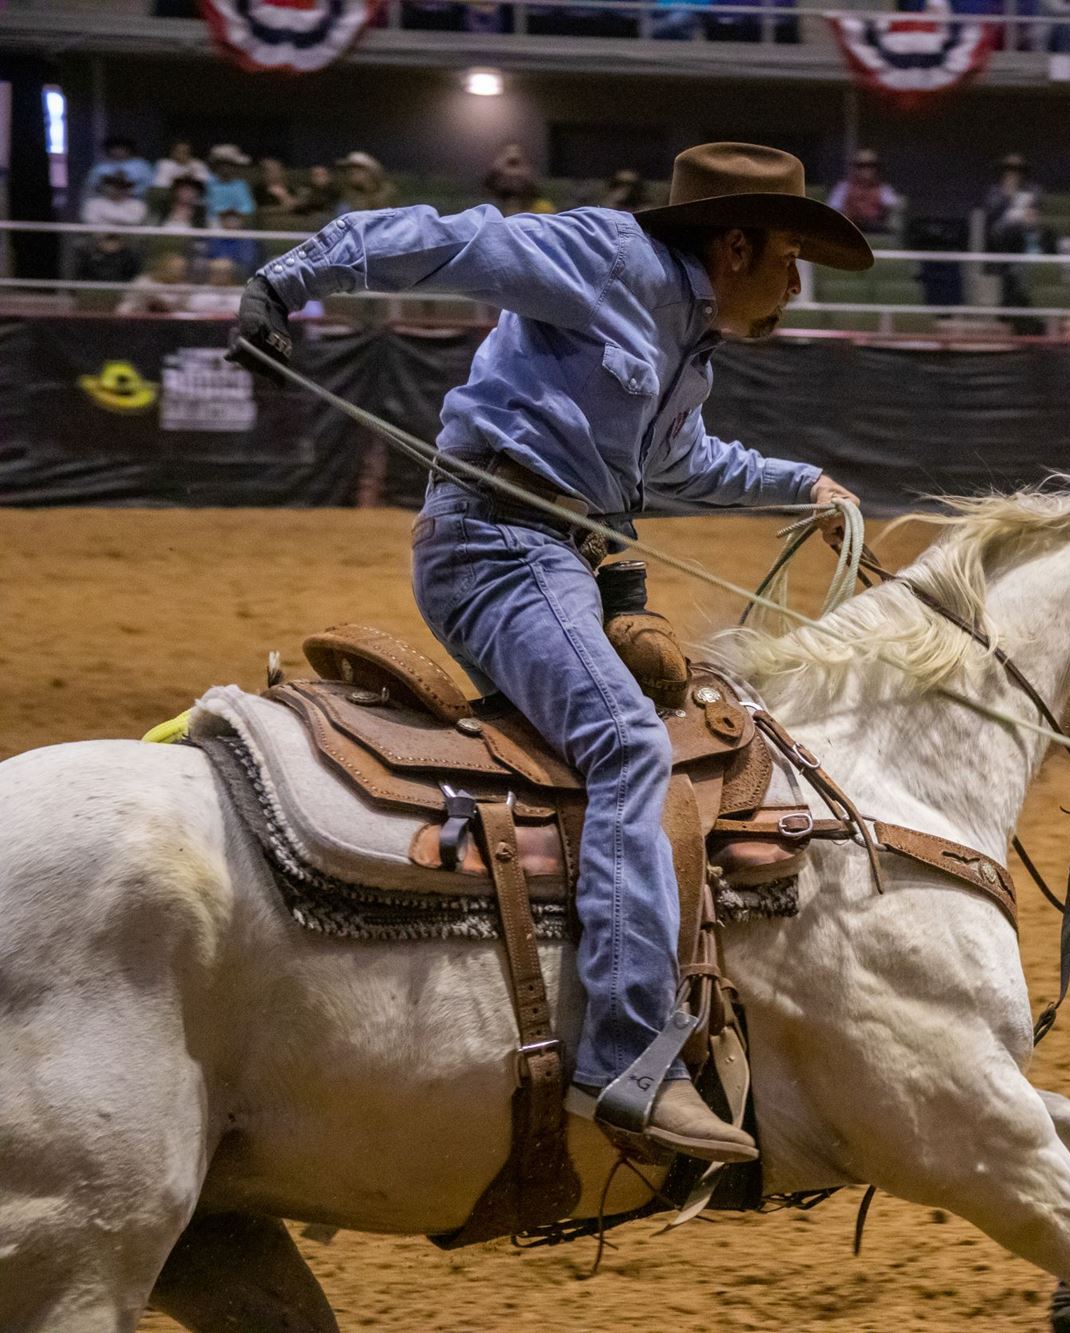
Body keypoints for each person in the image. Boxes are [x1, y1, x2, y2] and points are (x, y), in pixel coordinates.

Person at [228, 142, 869, 1165]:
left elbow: (677, 462)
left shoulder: (686, 345)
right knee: (626, 743)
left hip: (549, 557)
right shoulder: (607, 259)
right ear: (736, 243)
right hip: (496, 544)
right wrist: (288, 278)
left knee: (629, 735)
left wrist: (804, 486)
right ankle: (625, 1065)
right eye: (789, 256)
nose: (795, 284)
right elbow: (445, 242)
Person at [827, 149, 906, 238]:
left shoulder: (883, 189)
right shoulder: (843, 188)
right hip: (849, 228)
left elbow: (895, 205)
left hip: (874, 228)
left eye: (871, 166)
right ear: (855, 168)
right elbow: (833, 208)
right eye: (861, 166)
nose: (866, 169)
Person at [117, 249, 192, 314]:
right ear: (162, 268)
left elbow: (187, 310)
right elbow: (126, 305)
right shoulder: (142, 283)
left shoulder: (184, 288)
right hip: (141, 322)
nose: (180, 272)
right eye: (175, 268)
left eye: (182, 269)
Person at [82, 137, 153, 198]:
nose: (118, 151)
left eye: (121, 149)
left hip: (135, 200)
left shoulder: (141, 165)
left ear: (129, 150)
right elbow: (92, 185)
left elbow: (150, 185)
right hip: (105, 201)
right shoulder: (101, 167)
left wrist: (131, 192)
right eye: (114, 149)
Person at [484, 143, 540, 215]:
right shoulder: (497, 169)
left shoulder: (526, 169)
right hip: (501, 200)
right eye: (509, 152)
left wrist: (522, 174)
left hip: (523, 201)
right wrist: (497, 170)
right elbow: (489, 185)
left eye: (516, 151)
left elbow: (533, 188)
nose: (513, 154)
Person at [206, 145, 258, 218]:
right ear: (216, 166)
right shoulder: (209, 184)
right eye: (223, 164)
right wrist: (224, 212)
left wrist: (235, 212)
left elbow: (249, 207)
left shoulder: (242, 185)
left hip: (238, 222)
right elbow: (208, 207)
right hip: (214, 223)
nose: (226, 168)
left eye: (230, 165)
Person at [82, 173, 147, 229]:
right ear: (106, 186)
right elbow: (90, 220)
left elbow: (136, 221)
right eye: (113, 185)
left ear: (128, 188)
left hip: (128, 237)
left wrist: (107, 218)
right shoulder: (93, 203)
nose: (117, 189)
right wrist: (119, 221)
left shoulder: (137, 204)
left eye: (122, 186)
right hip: (99, 236)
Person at [78, 232, 143, 285]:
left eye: (114, 239)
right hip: (93, 291)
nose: (111, 243)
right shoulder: (89, 255)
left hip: (124, 291)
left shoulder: (130, 257)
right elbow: (82, 277)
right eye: (108, 239)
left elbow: (136, 278)